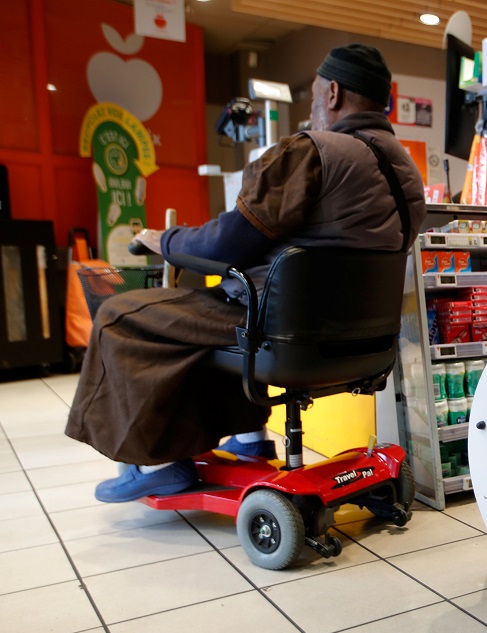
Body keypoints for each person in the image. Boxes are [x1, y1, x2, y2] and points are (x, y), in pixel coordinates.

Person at [66, 44, 427, 503]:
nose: (314, 108)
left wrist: (167, 241)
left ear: (333, 93)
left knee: (124, 315)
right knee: (207, 312)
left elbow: (225, 243)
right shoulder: (406, 171)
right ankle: (249, 437)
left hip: (283, 331)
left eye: (315, 96)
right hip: (360, 342)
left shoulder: (312, 152)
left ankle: (153, 461)